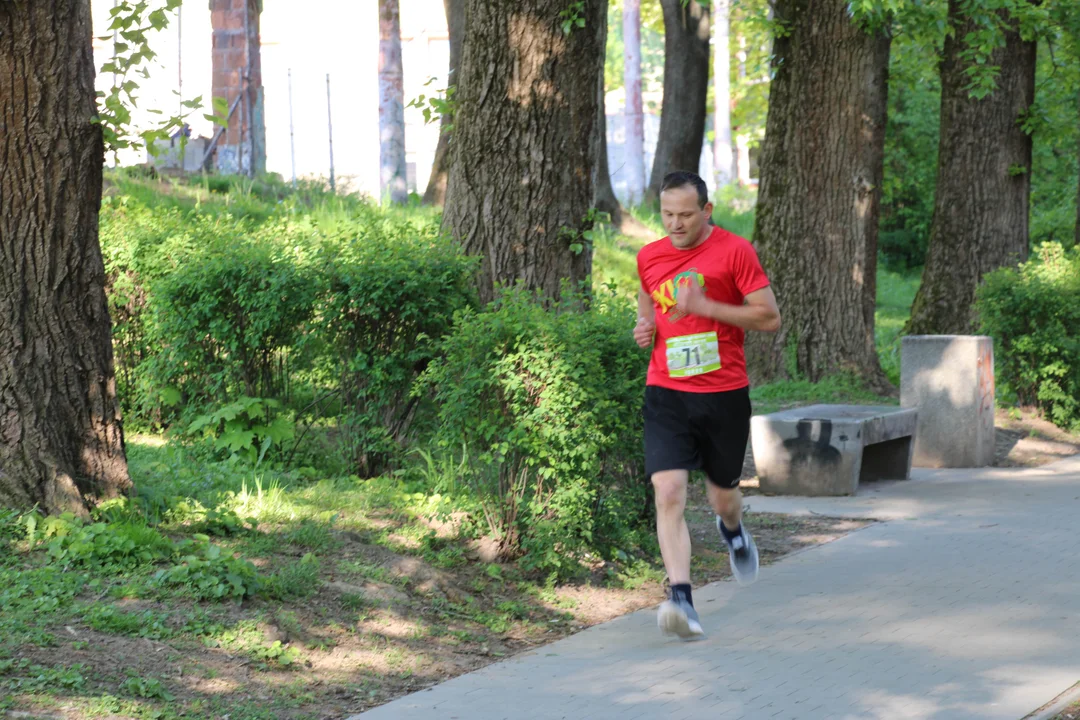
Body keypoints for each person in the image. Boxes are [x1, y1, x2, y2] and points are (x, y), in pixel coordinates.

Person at [634, 171, 781, 639]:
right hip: (667, 391)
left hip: (723, 393)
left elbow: (769, 317)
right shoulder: (649, 255)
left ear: (707, 210)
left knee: (721, 495)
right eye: (667, 214)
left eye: (685, 215)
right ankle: (681, 597)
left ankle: (733, 528)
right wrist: (645, 326)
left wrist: (706, 307)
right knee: (669, 491)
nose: (675, 224)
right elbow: (647, 297)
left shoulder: (735, 251)